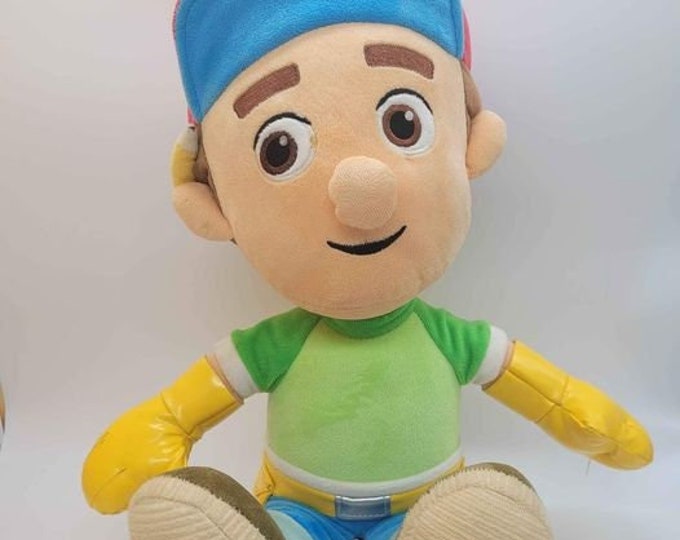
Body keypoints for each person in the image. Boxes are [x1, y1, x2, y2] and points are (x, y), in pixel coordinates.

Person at [82, 2, 653, 539]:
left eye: (404, 123)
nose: (362, 190)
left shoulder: (449, 339)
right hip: (297, 510)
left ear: (473, 146)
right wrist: (156, 431)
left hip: (427, 508)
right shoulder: (275, 346)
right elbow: (180, 409)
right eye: (280, 150)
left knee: (465, 519)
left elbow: (549, 394)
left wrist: (596, 424)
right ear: (213, 209)